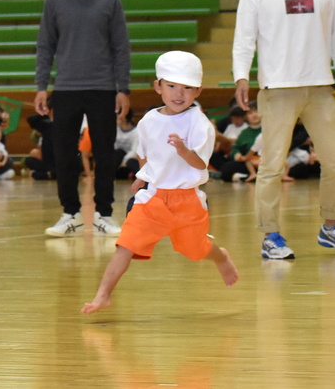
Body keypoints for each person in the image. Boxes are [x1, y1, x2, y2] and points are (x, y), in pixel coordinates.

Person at [81, 51, 238, 314]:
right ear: (158, 86)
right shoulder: (149, 121)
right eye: (172, 86)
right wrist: (143, 179)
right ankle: (103, 295)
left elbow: (200, 163)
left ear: (198, 90)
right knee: (125, 245)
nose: (179, 93)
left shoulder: (200, 123)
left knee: (195, 250)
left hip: (187, 199)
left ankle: (220, 256)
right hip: (153, 197)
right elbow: (146, 155)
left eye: (187, 87)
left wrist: (184, 151)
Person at [233, 0, 335, 259]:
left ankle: (331, 226)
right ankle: (270, 236)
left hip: (321, 86)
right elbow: (244, 39)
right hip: (277, 88)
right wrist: (241, 76)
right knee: (272, 166)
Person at [35, 0, 131, 237]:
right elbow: (45, 46)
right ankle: (71, 213)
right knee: (64, 154)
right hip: (65, 89)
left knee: (104, 154)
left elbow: (121, 47)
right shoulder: (54, 0)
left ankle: (104, 213)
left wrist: (123, 88)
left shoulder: (110, 0)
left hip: (102, 88)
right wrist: (41, 86)